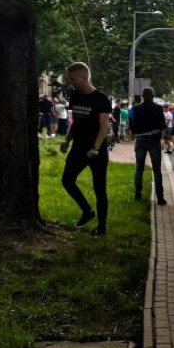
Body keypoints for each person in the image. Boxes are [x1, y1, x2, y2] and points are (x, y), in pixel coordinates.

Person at [60, 62, 111, 236]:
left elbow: (104, 126)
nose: (71, 82)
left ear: (83, 77)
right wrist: (67, 141)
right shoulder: (74, 96)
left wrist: (96, 147)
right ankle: (87, 211)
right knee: (67, 180)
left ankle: (102, 227)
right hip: (78, 148)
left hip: (96, 150)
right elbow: (76, 122)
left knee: (99, 189)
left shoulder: (101, 99)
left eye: (73, 78)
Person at [132, 87, 167, 205]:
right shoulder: (158, 108)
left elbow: (132, 124)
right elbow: (162, 125)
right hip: (154, 140)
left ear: (142, 96)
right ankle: (160, 197)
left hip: (140, 139)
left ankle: (137, 193)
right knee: (157, 169)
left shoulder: (136, 109)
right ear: (152, 96)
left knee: (139, 168)